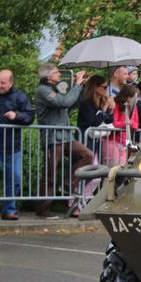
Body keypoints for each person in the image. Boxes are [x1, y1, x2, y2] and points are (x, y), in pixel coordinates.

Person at [35, 64, 95, 218]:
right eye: (56, 73)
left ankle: (67, 185)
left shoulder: (57, 88)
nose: (60, 75)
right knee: (50, 174)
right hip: (52, 137)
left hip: (66, 136)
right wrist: (76, 85)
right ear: (48, 77)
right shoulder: (43, 91)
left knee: (87, 155)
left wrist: (81, 86)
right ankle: (43, 210)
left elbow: (72, 102)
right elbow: (63, 102)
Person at [0, 70, 34, 220]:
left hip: (12, 145)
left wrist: (17, 116)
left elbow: (30, 116)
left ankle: (9, 209)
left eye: (3, 83)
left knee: (14, 177)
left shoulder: (20, 96)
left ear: (11, 83)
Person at [104, 84, 140, 167]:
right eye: (134, 98)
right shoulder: (116, 105)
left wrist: (126, 123)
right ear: (127, 97)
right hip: (112, 140)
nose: (136, 100)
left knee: (122, 167)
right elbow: (114, 123)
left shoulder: (134, 107)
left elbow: (136, 125)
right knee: (112, 168)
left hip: (124, 142)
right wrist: (127, 123)